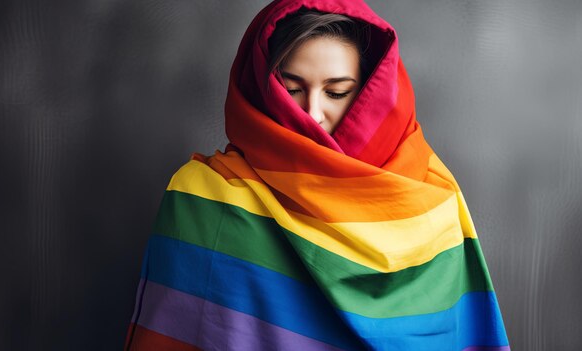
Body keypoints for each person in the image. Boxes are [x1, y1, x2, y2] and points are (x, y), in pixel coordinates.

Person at [125, 0, 510, 350]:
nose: (312, 113)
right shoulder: (207, 197)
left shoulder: (432, 196)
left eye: (337, 92)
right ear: (262, 90)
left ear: (369, 96)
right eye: (291, 89)